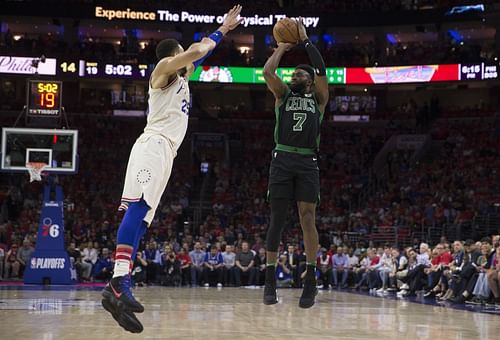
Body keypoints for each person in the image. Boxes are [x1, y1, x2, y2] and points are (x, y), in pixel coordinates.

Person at [101, 5, 243, 333]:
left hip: (166, 152)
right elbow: (197, 51)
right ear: (176, 54)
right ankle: (118, 281)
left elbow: (200, 57)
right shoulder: (163, 68)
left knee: (142, 219)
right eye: (185, 57)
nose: (189, 62)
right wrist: (217, 32)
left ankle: (116, 285)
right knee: (136, 210)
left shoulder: (181, 76)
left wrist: (222, 31)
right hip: (152, 145)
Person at [262, 18, 328, 308]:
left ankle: (311, 278)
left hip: (307, 161)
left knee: (307, 218)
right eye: (294, 73)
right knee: (277, 218)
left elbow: (322, 69)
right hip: (282, 157)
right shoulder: (282, 95)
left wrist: (306, 42)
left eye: (300, 73)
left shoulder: (320, 99)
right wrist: (282, 48)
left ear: (310, 81)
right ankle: (269, 280)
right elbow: (267, 71)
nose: (295, 75)